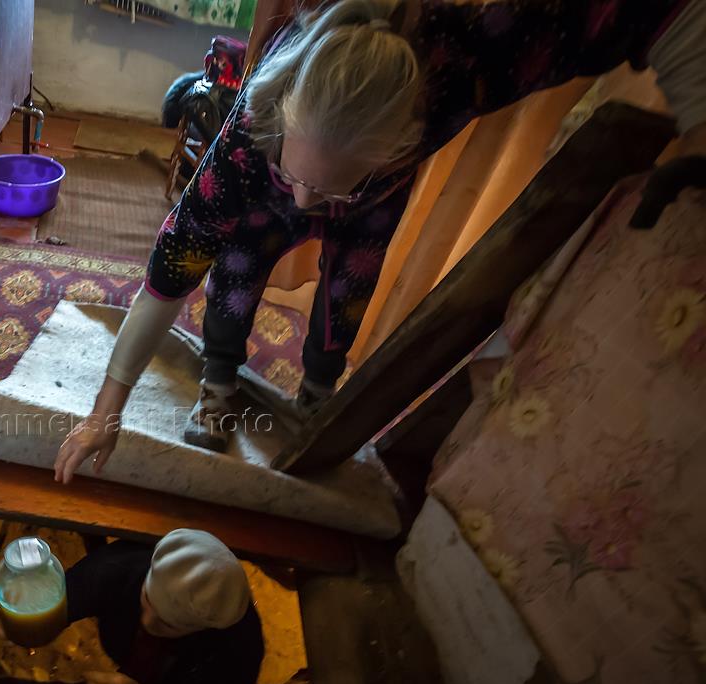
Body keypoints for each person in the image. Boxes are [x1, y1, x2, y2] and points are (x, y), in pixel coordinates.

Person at [55, 0, 706, 478]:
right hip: (260, 192)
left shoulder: (471, 60)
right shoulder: (247, 141)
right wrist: (106, 411)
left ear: (405, 139)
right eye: (298, 176)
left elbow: (650, 11)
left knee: (346, 301)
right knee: (236, 273)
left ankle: (317, 401)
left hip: (372, 207)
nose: (305, 204)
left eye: (327, 187)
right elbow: (169, 274)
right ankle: (218, 386)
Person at [0, 529, 264, 684]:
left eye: (168, 624)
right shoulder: (116, 569)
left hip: (175, 680)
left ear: (204, 627)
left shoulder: (239, 644)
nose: (147, 622)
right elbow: (58, 607)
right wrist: (23, 621)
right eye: (146, 600)